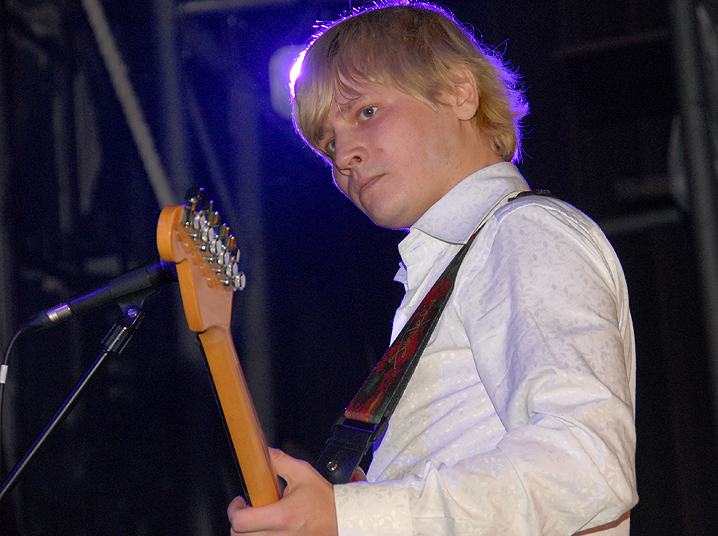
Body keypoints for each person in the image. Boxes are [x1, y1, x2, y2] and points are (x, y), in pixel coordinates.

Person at [227, 1, 638, 534]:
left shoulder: (523, 233)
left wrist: (353, 515)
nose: (344, 155)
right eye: (327, 144)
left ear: (459, 92)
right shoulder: (456, 269)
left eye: (365, 112)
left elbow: (587, 467)